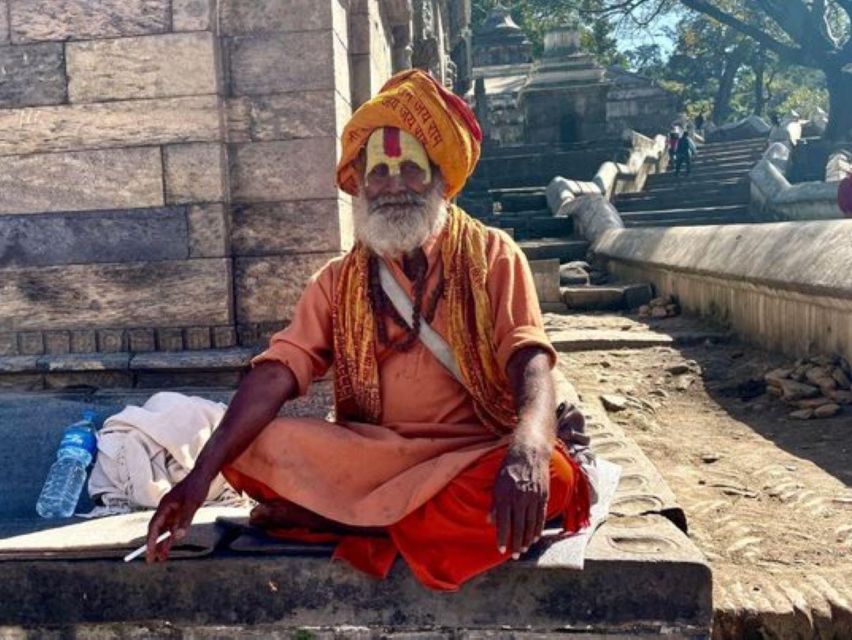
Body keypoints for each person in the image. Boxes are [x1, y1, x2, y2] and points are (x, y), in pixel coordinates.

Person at [144, 69, 591, 591]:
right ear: (359, 185)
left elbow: (529, 357)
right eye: (378, 171)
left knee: (555, 480)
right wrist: (197, 483)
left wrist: (531, 447)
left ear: (439, 179)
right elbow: (277, 373)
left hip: (474, 454)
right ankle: (399, 524)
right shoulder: (338, 281)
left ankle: (351, 523)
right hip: (372, 457)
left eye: (410, 169)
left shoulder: (493, 255)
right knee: (245, 448)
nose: (393, 185)